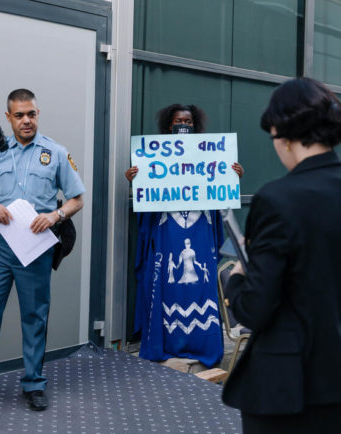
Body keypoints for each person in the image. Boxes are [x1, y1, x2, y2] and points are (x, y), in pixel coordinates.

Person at [222, 78, 341, 433]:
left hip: (291, 385)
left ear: (284, 135)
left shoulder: (277, 199)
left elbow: (256, 308)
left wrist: (237, 277)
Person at [0, 89, 85, 412]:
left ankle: (34, 384)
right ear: (8, 117)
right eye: (19, 115)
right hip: (0, 248)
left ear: (38, 114)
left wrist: (55, 215)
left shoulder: (56, 153)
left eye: (31, 114)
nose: (26, 121)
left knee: (34, 317)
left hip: (36, 249)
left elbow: (78, 198)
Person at [126, 103, 244, 367]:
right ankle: (166, 344)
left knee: (200, 287)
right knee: (168, 287)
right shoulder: (154, 159)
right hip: (168, 231)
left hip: (200, 229)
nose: (183, 126)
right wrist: (135, 180)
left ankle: (203, 344)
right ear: (169, 125)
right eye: (179, 121)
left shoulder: (209, 155)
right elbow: (146, 200)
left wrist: (233, 177)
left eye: (188, 122)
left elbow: (220, 192)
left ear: (196, 126)